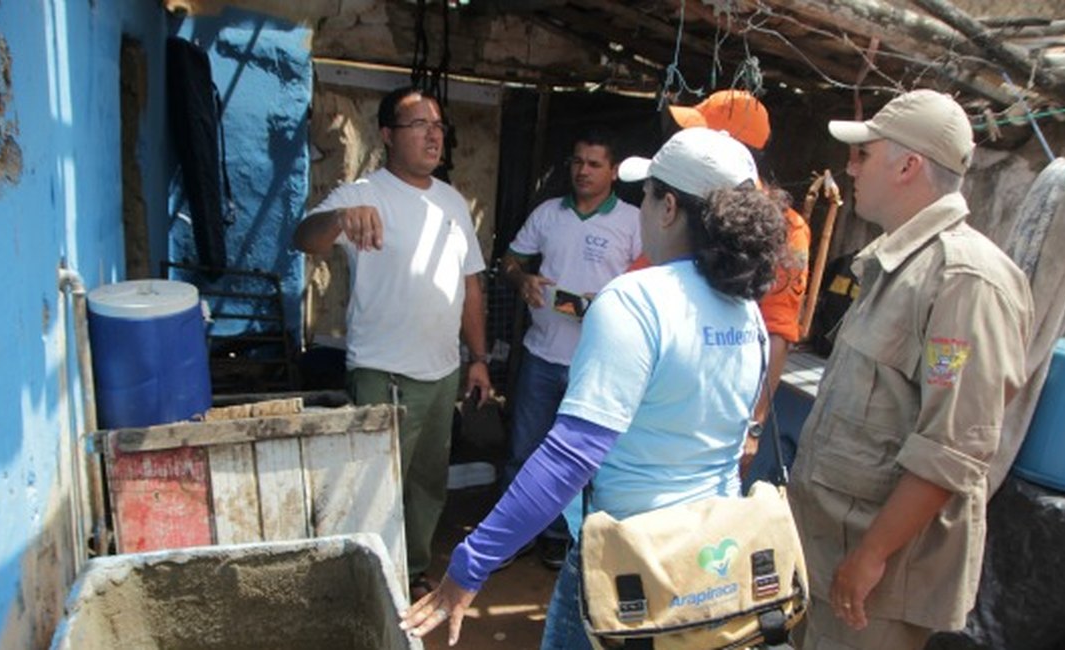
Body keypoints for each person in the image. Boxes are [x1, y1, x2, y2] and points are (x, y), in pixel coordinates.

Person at [400, 127, 788, 648]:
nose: (641, 207)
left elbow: (569, 458)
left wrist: (472, 563)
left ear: (668, 207)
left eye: (645, 195)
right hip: (708, 562)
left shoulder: (635, 300)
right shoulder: (747, 313)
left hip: (628, 564)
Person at [787, 89, 1033, 650]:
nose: (850, 168)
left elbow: (956, 445)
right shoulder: (900, 266)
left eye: (863, 155)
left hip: (877, 578)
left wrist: (872, 554)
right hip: (833, 551)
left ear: (908, 166)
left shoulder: (965, 280)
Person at [293, 86, 491, 602]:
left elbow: (470, 284)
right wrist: (338, 219)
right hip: (383, 371)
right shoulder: (364, 194)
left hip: (442, 371)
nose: (433, 134)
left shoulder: (452, 200)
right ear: (387, 135)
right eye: (419, 125)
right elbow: (304, 237)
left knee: (426, 485)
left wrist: (479, 360)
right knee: (373, 485)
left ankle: (414, 568)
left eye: (438, 126)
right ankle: (366, 581)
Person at [499, 128, 641, 569]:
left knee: (583, 458)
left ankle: (560, 536)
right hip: (542, 354)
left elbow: (647, 286)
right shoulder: (548, 213)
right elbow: (510, 260)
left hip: (597, 365)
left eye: (594, 163)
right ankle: (518, 531)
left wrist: (609, 309)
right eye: (578, 161)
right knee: (525, 449)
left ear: (614, 172)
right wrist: (521, 279)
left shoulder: (633, 221)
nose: (583, 171)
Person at [666, 89, 811, 485]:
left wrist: (755, 425)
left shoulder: (787, 229)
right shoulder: (685, 203)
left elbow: (779, 330)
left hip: (720, 409)